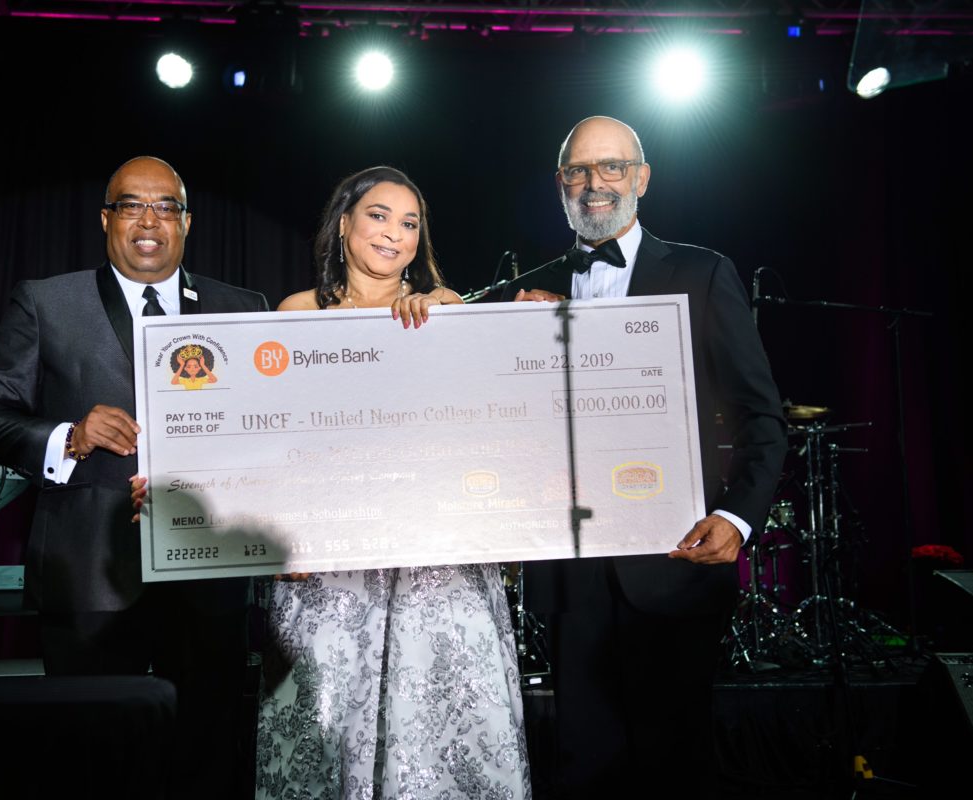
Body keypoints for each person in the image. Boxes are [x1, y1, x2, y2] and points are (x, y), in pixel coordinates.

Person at [0, 156, 268, 794]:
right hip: (87, 571)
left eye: (166, 207)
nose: (149, 220)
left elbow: (267, 432)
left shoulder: (243, 308)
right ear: (107, 219)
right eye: (132, 205)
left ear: (187, 221)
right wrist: (67, 435)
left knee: (206, 752)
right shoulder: (47, 301)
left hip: (206, 569)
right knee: (88, 758)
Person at [502, 117, 787, 797]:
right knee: (581, 766)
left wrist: (739, 519)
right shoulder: (529, 286)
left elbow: (762, 417)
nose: (594, 184)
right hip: (572, 572)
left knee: (675, 764)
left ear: (643, 179)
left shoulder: (701, 271)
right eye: (578, 170)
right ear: (559, 183)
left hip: (675, 560)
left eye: (612, 168)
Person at [254, 166, 533, 799]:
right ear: (344, 222)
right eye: (379, 215)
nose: (395, 234)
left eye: (410, 223)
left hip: (432, 568)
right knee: (326, 728)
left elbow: (483, 428)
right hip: (329, 565)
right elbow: (275, 440)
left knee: (438, 739)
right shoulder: (296, 314)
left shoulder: (442, 308)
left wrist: (447, 317)